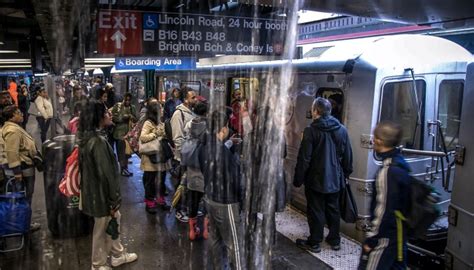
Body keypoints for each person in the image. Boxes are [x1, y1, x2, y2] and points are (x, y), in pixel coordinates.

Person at [78, 100, 138, 270]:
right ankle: (98, 264)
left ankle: (118, 254)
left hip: (95, 192)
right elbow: (106, 175)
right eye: (106, 112)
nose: (110, 114)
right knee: (101, 228)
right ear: (98, 117)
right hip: (101, 195)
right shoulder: (98, 142)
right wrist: (113, 200)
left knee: (114, 220)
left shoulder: (87, 137)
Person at [293, 97, 353, 253]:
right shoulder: (342, 129)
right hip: (336, 179)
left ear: (316, 111)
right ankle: (334, 240)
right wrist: (344, 174)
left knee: (316, 210)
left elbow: (304, 158)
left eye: (312, 110)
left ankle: (314, 242)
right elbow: (348, 157)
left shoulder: (310, 131)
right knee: (333, 210)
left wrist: (298, 179)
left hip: (316, 179)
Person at [358, 122, 410, 270]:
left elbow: (383, 209)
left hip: (384, 238)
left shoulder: (387, 172)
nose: (372, 140)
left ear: (380, 141)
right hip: (399, 236)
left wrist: (371, 240)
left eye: (375, 137)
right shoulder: (401, 163)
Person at [200, 110, 244, 270]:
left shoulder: (205, 145)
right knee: (234, 245)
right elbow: (236, 181)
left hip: (210, 198)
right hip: (226, 203)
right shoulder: (225, 155)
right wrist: (241, 202)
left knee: (215, 240)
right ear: (223, 129)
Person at [1, 105, 41, 231]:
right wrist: (17, 172)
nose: (22, 114)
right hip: (22, 169)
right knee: (23, 197)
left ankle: (21, 222)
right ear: (12, 117)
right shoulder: (12, 130)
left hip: (22, 167)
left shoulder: (13, 128)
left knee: (22, 196)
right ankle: (23, 223)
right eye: (18, 113)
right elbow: (12, 152)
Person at [139, 100, 171, 213]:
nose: (162, 110)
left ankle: (160, 199)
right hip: (150, 157)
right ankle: (149, 202)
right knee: (150, 181)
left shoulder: (160, 122)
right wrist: (155, 134)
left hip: (161, 156)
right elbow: (143, 137)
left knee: (161, 180)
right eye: (160, 108)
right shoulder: (148, 123)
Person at [170, 87, 197, 222]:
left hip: (191, 156)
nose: (195, 99)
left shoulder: (191, 113)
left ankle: (187, 207)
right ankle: (179, 210)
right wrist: (183, 156)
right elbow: (178, 138)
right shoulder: (178, 114)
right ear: (186, 99)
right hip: (182, 158)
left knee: (189, 185)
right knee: (181, 185)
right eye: (193, 97)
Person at [183, 101, 208, 240]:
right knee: (207, 201)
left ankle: (192, 231)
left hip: (192, 168)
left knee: (193, 200)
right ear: (206, 113)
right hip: (204, 170)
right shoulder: (210, 127)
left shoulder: (189, 124)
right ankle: (206, 230)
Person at [111, 93, 136, 177]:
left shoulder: (132, 108)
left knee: (127, 153)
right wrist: (122, 118)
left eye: (129, 100)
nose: (127, 102)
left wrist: (131, 117)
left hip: (129, 133)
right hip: (119, 133)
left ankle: (125, 168)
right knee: (121, 152)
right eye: (126, 100)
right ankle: (122, 169)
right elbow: (113, 118)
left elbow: (136, 118)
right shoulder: (118, 106)